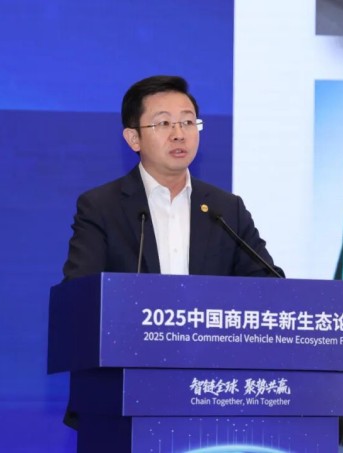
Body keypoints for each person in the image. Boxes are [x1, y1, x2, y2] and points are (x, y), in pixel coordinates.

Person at [60, 75, 283, 430]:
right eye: (163, 123)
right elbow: (80, 294)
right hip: (122, 398)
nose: (179, 134)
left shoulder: (226, 209)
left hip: (212, 397)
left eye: (188, 122)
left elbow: (269, 289)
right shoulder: (101, 207)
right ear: (134, 138)